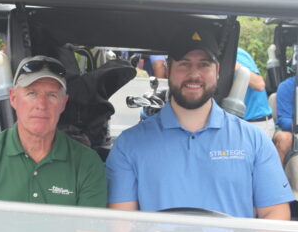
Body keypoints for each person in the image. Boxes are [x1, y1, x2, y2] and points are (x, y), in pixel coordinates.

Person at [106, 29, 293, 220]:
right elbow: (122, 221)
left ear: (218, 71)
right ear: (168, 69)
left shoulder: (255, 140)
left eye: (204, 65)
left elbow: (275, 211)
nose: (194, 74)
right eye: (184, 64)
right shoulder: (129, 145)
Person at [0, 55, 107, 205]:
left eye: (52, 95)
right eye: (31, 93)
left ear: (63, 103)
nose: (41, 104)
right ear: (13, 98)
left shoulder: (87, 163)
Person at [235, 47, 275, 139]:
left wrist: (233, 64)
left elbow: (259, 84)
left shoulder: (236, 54)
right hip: (238, 123)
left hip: (257, 124)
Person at [273, 76, 295, 164]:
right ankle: (278, 176)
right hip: (292, 131)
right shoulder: (286, 86)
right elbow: (284, 120)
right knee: (284, 139)